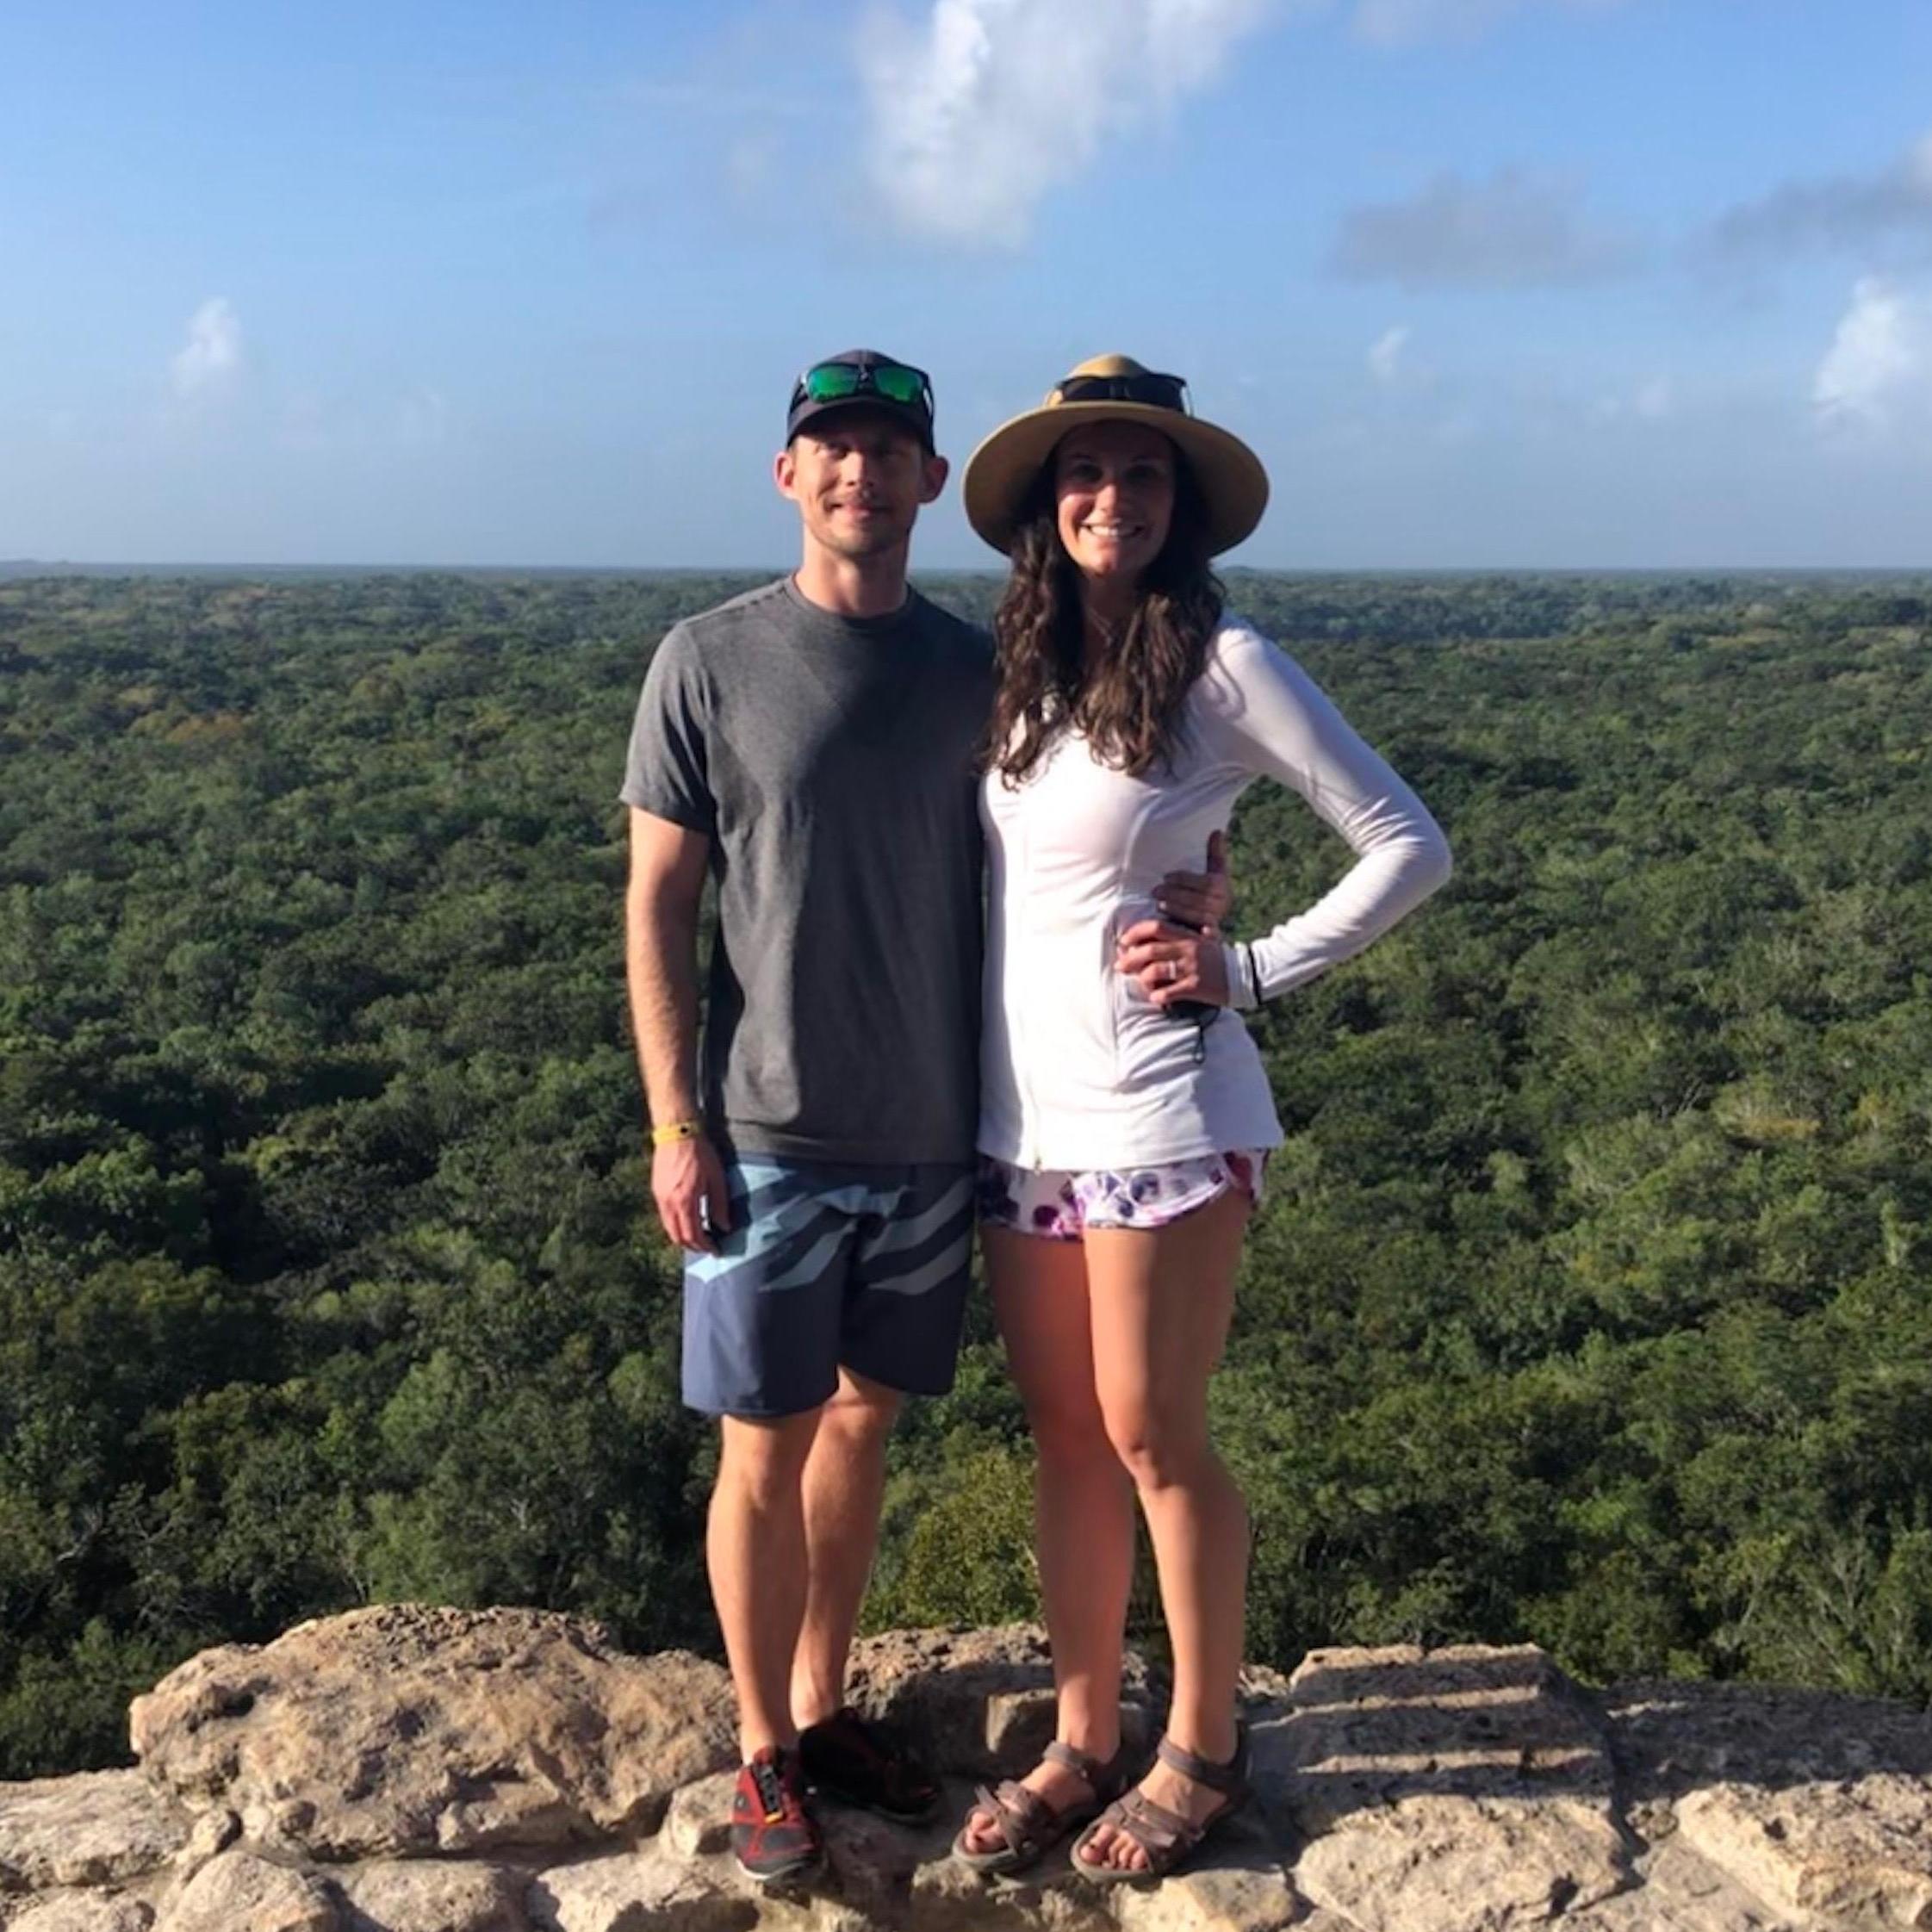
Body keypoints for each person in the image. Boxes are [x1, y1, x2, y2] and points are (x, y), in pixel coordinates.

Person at [619, 351, 1231, 1886]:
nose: (861, 473)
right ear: (788, 475)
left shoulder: (983, 671)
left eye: (890, 451)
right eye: (833, 448)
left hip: (936, 1134)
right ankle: (763, 1748)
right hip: (764, 1130)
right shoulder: (707, 660)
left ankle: (825, 1707)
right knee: (761, 1442)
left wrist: (1208, 907)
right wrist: (674, 1121)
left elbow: (1098, 826)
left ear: (931, 483)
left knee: (864, 1419)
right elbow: (658, 903)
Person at [950, 355, 1452, 1885]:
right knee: (1067, 1440)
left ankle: (1204, 1745)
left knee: (1154, 1434)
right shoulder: (1028, 675)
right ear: (1046, 505)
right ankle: (1082, 1735)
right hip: (1025, 1121)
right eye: (1085, 472)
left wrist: (1245, 965)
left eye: (1144, 473)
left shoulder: (1226, 664)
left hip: (1162, 1111)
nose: (1113, 497)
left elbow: (1407, 842)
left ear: (1182, 506)